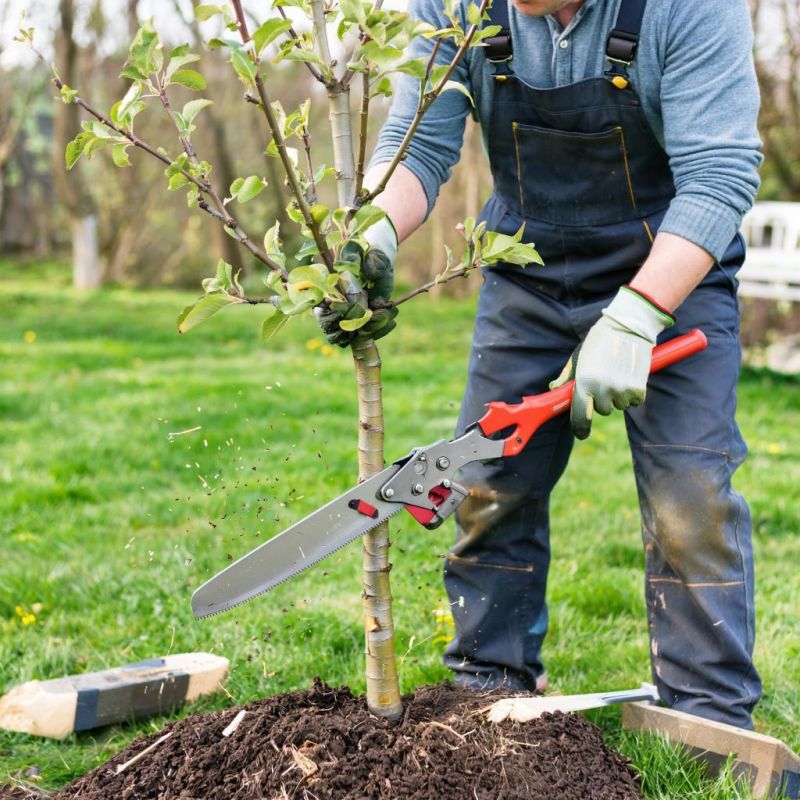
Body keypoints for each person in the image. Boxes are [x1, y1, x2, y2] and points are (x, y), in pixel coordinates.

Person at [319, 0, 763, 730]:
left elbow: (717, 175)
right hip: (526, 272)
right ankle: (488, 689)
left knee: (691, 495)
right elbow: (417, 145)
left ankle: (707, 715)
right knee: (491, 484)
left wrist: (639, 313)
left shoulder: (689, 9)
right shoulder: (455, 7)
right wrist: (371, 234)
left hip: (673, 267)